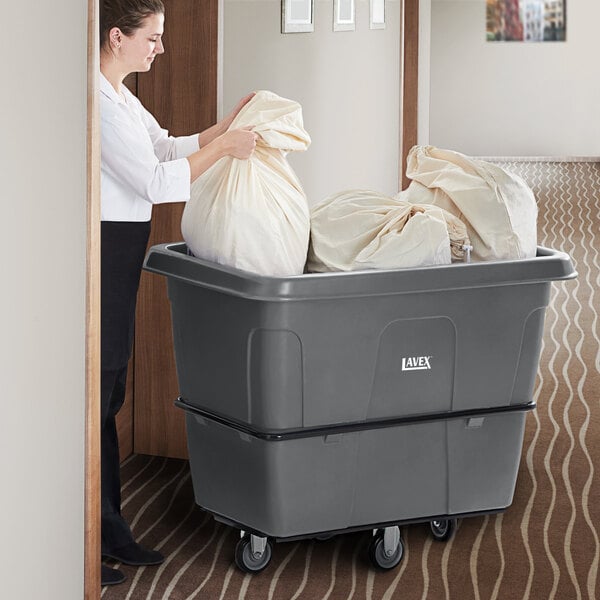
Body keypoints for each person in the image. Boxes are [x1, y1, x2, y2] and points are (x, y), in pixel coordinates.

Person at [99, 0, 257, 587]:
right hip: (104, 250)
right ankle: (89, 537)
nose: (160, 48)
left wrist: (227, 126)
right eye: (153, 37)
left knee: (111, 386)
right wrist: (223, 151)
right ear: (117, 36)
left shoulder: (119, 94)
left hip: (122, 249)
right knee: (99, 392)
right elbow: (157, 182)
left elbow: (165, 146)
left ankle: (109, 525)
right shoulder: (97, 103)